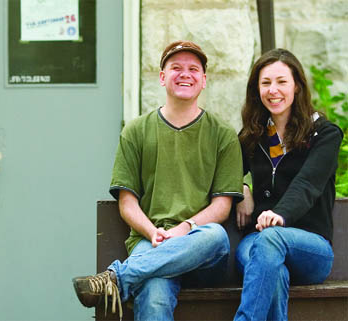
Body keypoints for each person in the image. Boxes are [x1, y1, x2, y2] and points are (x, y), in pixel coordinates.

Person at [72, 40, 244, 321]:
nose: (185, 74)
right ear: (162, 77)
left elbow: (221, 207)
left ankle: (116, 278)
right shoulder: (136, 131)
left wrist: (182, 230)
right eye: (176, 68)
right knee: (153, 293)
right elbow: (127, 203)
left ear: (204, 80)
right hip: (150, 242)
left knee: (216, 235)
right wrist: (153, 232)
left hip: (201, 249)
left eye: (193, 69)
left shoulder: (222, 134)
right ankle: (126, 277)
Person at [234, 48, 344, 321]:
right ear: (256, 89)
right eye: (265, 83)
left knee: (270, 240)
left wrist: (279, 215)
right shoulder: (253, 135)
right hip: (259, 244)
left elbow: (307, 184)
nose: (274, 90)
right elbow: (224, 174)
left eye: (282, 82)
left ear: (297, 86)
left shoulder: (324, 134)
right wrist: (242, 188)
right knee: (273, 269)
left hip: (311, 248)